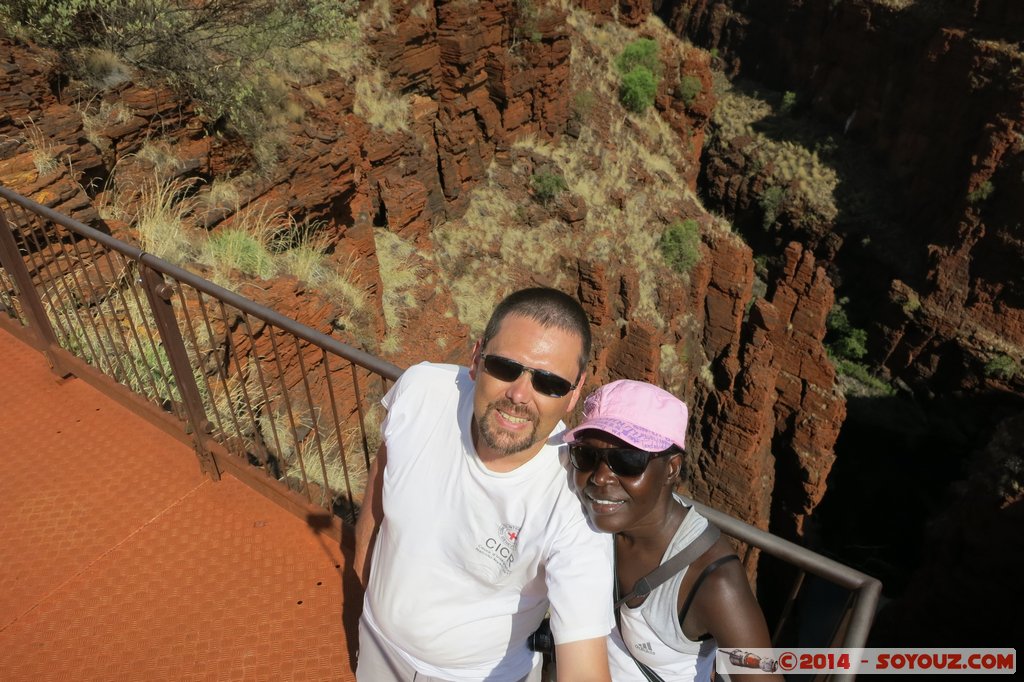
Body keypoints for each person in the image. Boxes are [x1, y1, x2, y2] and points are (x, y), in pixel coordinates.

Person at [354, 287, 615, 682]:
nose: (519, 395)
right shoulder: (422, 391)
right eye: (505, 367)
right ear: (476, 358)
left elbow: (585, 661)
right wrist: (358, 591)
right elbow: (380, 488)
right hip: (376, 645)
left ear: (574, 393)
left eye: (550, 383)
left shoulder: (574, 498)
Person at [563, 380, 781, 682]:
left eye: (627, 461)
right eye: (586, 455)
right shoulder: (579, 506)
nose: (600, 477)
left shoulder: (713, 581)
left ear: (671, 469)